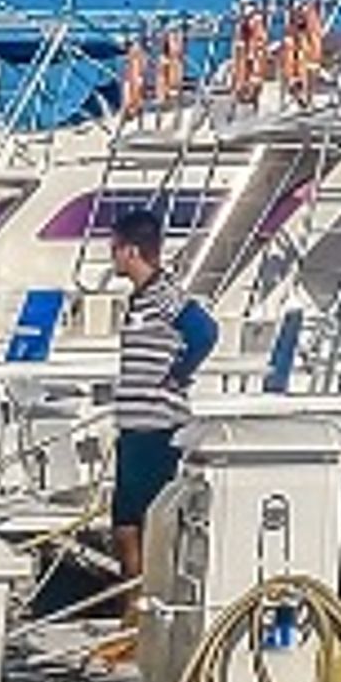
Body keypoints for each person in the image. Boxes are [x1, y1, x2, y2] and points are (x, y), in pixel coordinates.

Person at [103, 202, 216, 648]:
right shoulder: (139, 299)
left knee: (147, 524)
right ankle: (132, 610)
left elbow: (204, 331)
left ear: (132, 251)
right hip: (133, 428)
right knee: (123, 524)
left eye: (114, 249)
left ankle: (144, 620)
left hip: (157, 428)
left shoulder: (165, 293)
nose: (110, 256)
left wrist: (179, 374)